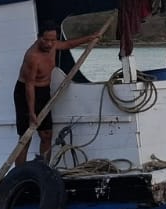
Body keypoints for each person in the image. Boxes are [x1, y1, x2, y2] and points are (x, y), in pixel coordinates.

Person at [12, 24, 102, 166]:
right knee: (26, 136)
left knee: (47, 134)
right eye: (46, 40)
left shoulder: (52, 46)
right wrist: (31, 112)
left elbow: (67, 44)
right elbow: (29, 85)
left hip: (43, 91)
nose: (49, 44)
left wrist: (89, 38)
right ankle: (19, 171)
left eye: (52, 40)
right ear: (39, 37)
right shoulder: (32, 56)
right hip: (26, 93)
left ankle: (43, 167)